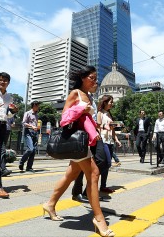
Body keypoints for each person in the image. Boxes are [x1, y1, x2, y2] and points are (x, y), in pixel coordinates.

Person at [43, 66, 115, 237]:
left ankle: (50, 204)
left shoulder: (89, 96)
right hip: (76, 141)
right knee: (94, 174)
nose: (94, 81)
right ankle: (98, 218)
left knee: (71, 174)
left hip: (85, 141)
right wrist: (83, 109)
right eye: (91, 77)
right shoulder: (75, 93)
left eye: (95, 78)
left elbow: (86, 120)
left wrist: (95, 127)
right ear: (82, 77)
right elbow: (64, 117)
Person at [97, 94, 122, 193]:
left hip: (110, 141)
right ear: (105, 102)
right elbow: (97, 127)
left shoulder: (109, 114)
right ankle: (92, 183)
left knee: (106, 165)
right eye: (111, 102)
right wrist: (104, 127)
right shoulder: (100, 113)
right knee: (106, 163)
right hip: (103, 140)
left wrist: (116, 139)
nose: (112, 104)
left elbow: (112, 129)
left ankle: (103, 186)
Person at [19, 100, 41, 172]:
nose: (38, 107)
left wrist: (37, 127)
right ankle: (21, 162)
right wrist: (32, 126)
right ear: (34, 106)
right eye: (37, 106)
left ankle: (29, 167)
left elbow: (36, 124)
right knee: (30, 149)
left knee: (33, 151)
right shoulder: (28, 113)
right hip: (28, 131)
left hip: (35, 133)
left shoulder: (37, 115)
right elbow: (24, 123)